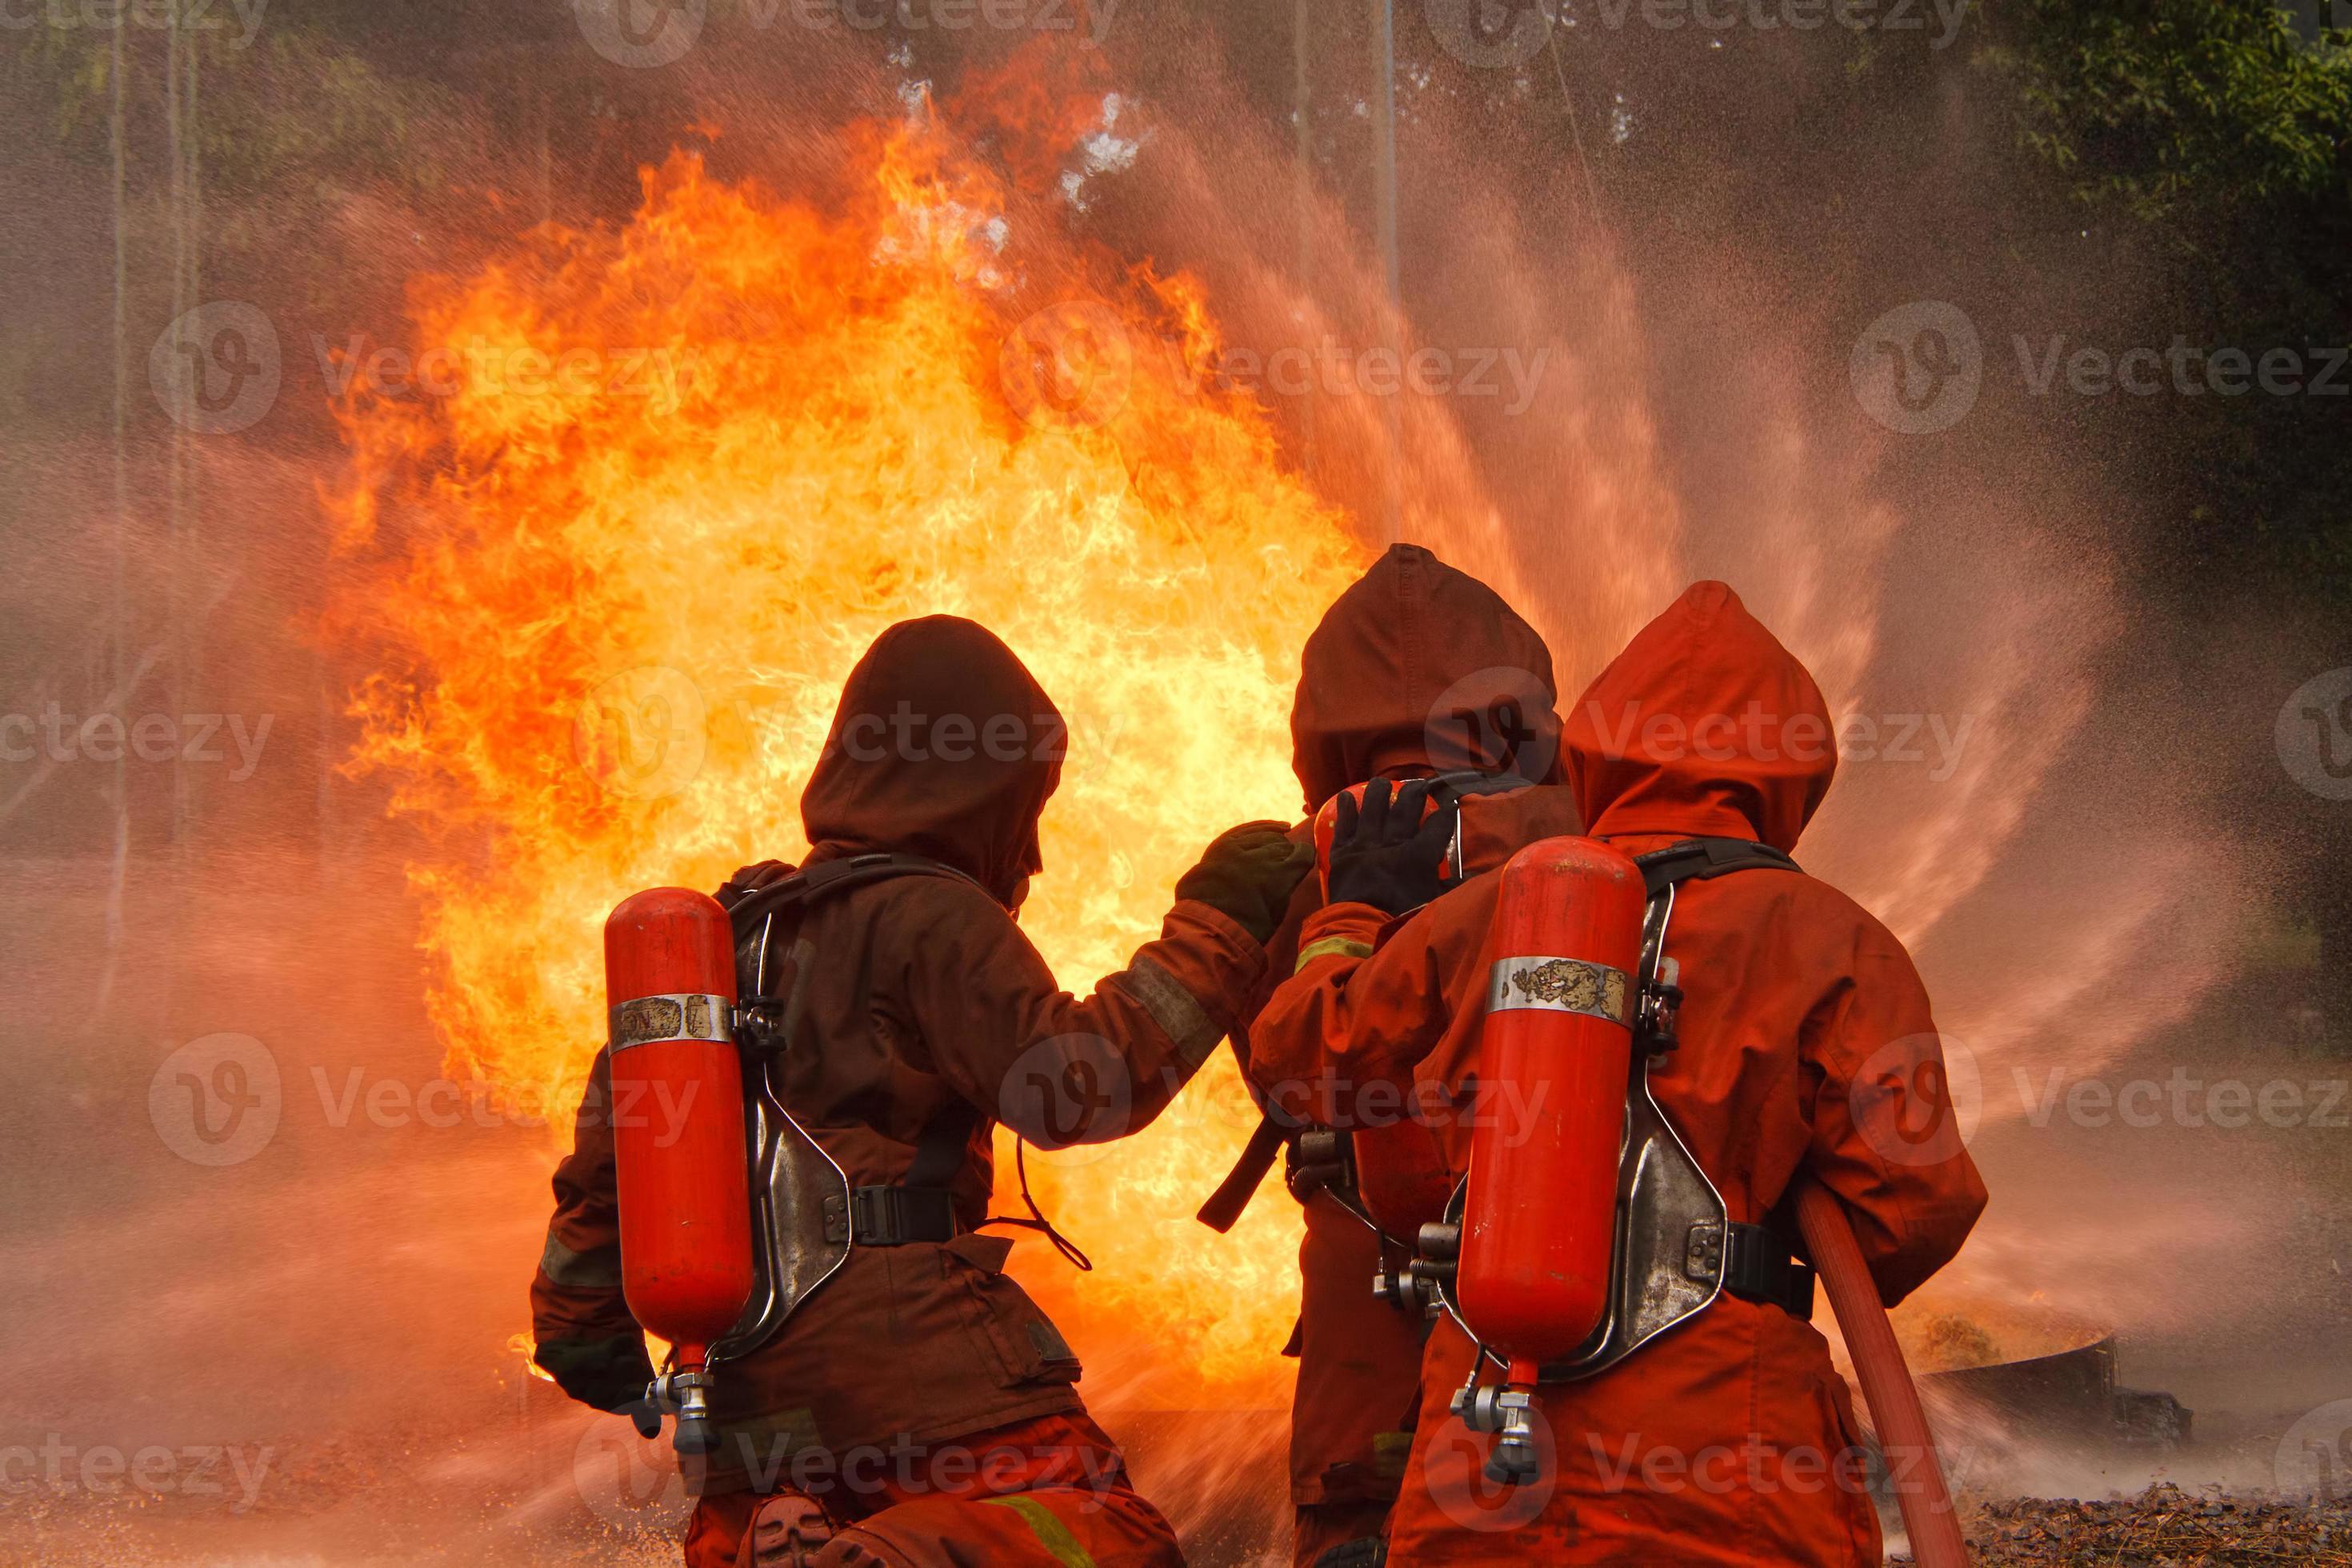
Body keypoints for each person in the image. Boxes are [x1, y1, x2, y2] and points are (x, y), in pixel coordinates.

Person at [531, 614, 1314, 1568]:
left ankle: (803, 1544)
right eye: (1021, 816)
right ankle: (892, 1555)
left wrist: (590, 1339)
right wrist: (1219, 923)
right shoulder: (925, 914)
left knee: (793, 1535)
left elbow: (601, 1186)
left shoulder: (713, 947)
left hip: (753, 1430)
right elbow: (1078, 1085)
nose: (1030, 858)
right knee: (1109, 1536)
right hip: (931, 1393)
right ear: (971, 796)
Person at [1249, 581, 1989, 1565]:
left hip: (1488, 1437)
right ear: (1792, 777)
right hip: (1730, 1453)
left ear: (1594, 753)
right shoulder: (1837, 943)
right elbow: (1915, 1211)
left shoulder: (1490, 913)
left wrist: (1354, 917)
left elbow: (1302, 1062)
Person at [1230, 543, 1586, 1568]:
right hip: (1575, 1333)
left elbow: (1284, 1077)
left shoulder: (1302, 866)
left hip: (1367, 1339)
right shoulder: (1601, 851)